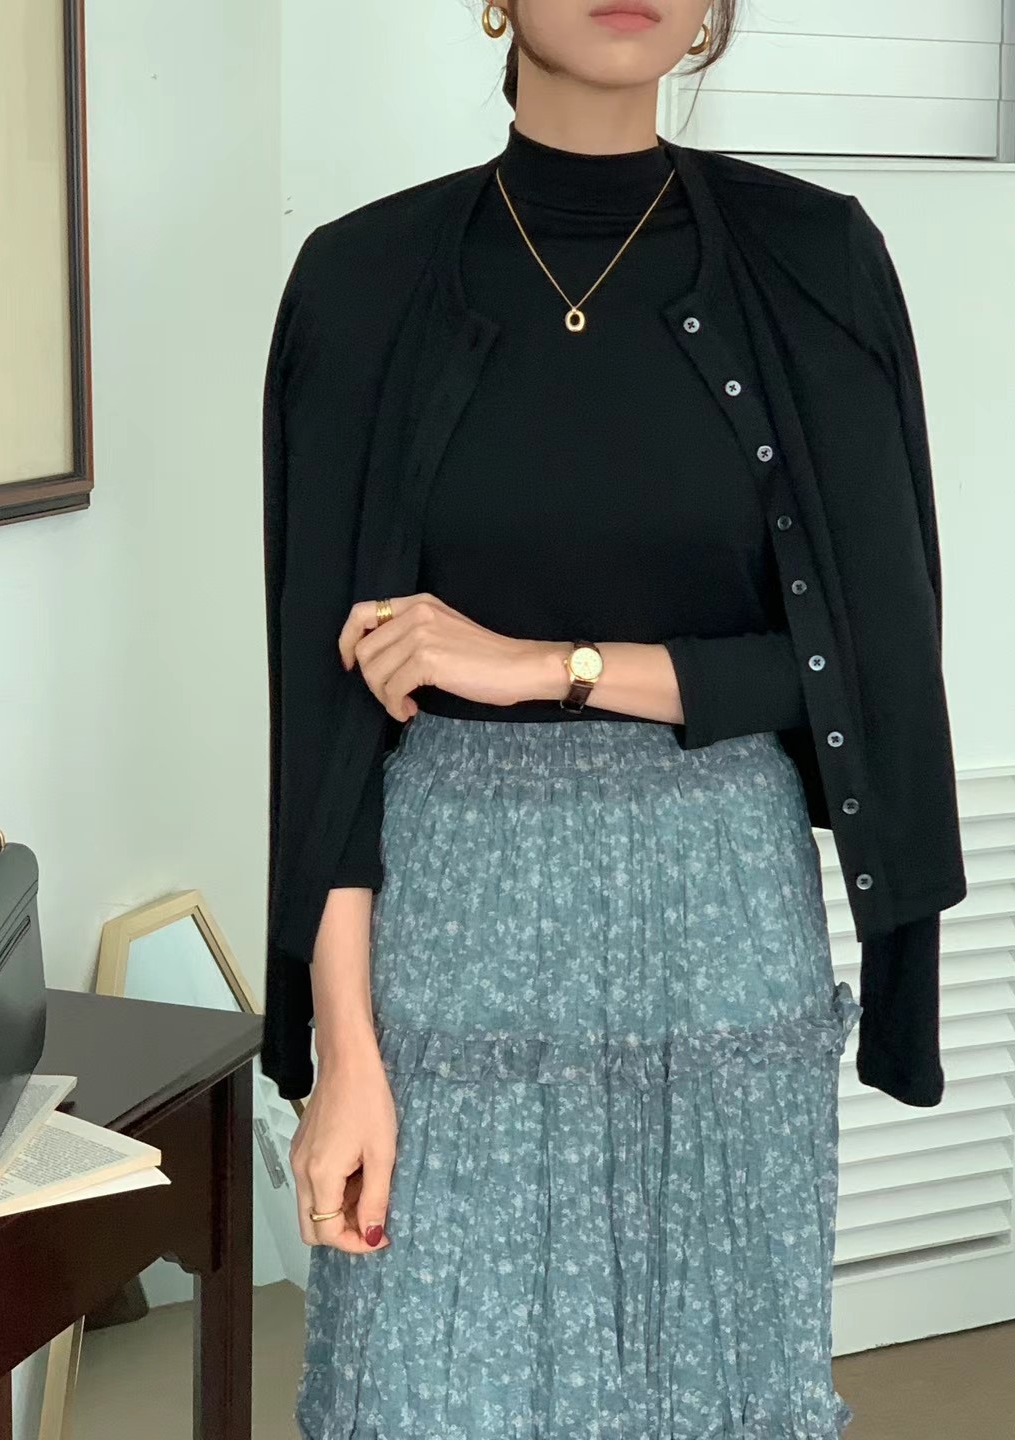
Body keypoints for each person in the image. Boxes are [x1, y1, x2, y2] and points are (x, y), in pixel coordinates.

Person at [261, 2, 967, 1434]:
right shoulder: (362, 278)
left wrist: (546, 667)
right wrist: (345, 1053)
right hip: (450, 929)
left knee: (714, 1391)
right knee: (425, 1393)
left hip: (719, 920)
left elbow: (864, 668)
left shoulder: (816, 261)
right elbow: (324, 717)